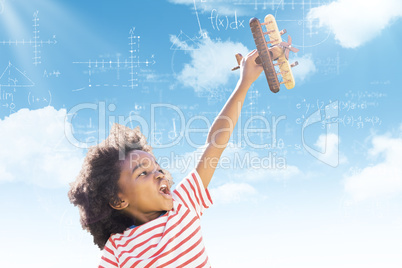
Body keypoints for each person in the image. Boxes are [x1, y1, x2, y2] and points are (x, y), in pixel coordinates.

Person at [68, 50, 263, 267]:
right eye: (142, 172)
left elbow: (215, 142)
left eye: (156, 168)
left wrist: (244, 83)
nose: (159, 174)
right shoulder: (117, 248)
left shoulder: (183, 204)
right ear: (118, 200)